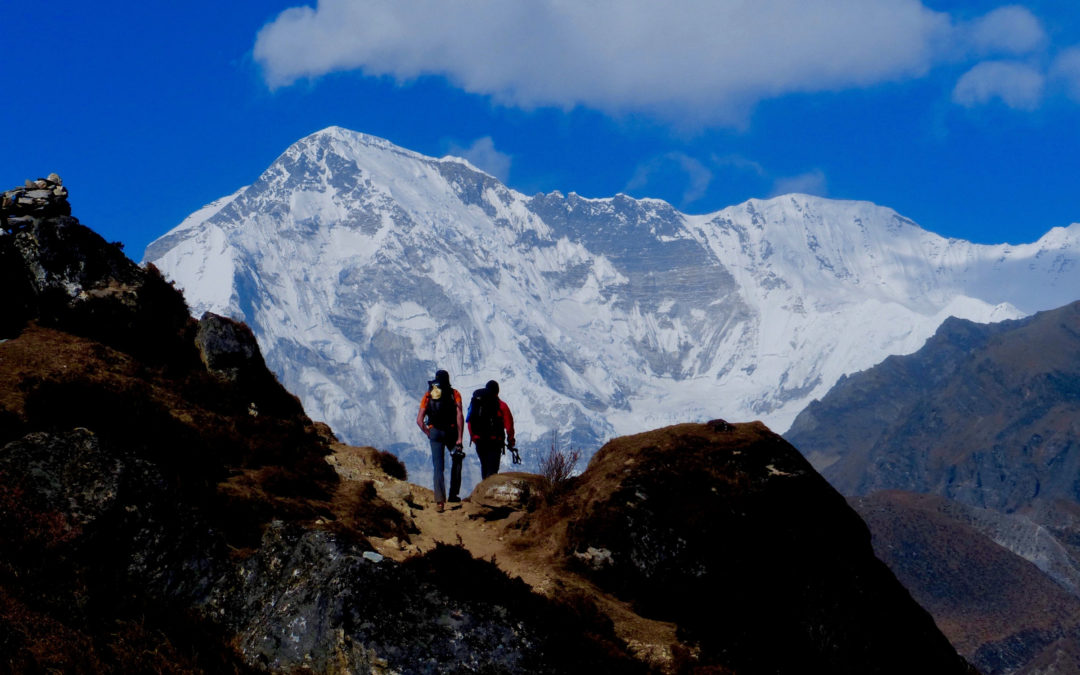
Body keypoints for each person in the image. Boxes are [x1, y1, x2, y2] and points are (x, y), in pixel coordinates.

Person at [416, 369, 464, 512]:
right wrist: (460, 438)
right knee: (457, 458)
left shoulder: (428, 395)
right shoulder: (454, 393)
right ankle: (453, 494)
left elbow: (419, 421)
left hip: (435, 432)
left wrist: (428, 433)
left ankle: (440, 502)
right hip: (451, 432)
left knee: (438, 467)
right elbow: (459, 416)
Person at [467, 380, 517, 480]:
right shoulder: (501, 405)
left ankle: (483, 491)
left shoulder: (476, 403)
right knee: (492, 470)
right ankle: (488, 493)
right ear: (497, 391)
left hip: (479, 440)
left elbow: (469, 421)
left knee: (484, 467)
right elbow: (509, 425)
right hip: (495, 441)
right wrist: (511, 440)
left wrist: (473, 437)